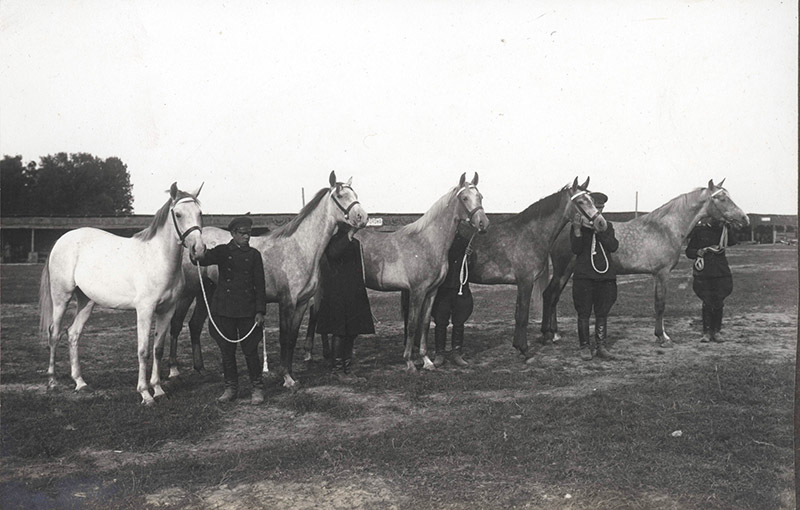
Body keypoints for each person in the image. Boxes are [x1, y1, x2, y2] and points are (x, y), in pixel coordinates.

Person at [193, 216, 267, 404]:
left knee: (250, 351)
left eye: (248, 233)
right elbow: (202, 259)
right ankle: (231, 388)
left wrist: (260, 311)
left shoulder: (254, 255)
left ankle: (257, 388)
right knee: (227, 352)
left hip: (247, 311)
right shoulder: (223, 251)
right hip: (224, 310)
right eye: (242, 233)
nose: (246, 237)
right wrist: (195, 252)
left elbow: (260, 285)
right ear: (233, 234)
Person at [315, 223, 375, 382]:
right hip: (337, 294)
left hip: (353, 294)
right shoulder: (332, 242)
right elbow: (334, 255)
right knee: (340, 332)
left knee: (352, 332)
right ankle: (337, 369)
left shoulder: (355, 244)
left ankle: (347, 369)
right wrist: (349, 235)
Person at [571, 192, 619, 361]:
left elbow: (613, 246)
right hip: (584, 277)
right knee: (583, 312)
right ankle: (584, 346)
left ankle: (601, 346)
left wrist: (601, 232)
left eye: (600, 208)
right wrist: (577, 231)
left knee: (602, 312)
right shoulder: (579, 228)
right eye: (595, 208)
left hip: (605, 277)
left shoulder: (608, 226)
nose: (597, 211)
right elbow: (576, 249)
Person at [685, 218, 737, 343]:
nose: (719, 220)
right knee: (707, 302)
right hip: (704, 272)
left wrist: (729, 228)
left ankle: (717, 331)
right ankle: (707, 332)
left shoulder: (723, 230)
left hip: (720, 271)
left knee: (719, 301)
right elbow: (689, 251)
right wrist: (698, 252)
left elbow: (733, 242)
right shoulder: (699, 231)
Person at [431, 222, 476, 368]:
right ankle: (440, 353)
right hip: (443, 288)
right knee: (440, 321)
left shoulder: (464, 242)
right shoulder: (440, 242)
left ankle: (457, 353)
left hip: (460, 287)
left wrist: (469, 256)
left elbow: (471, 266)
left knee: (459, 321)